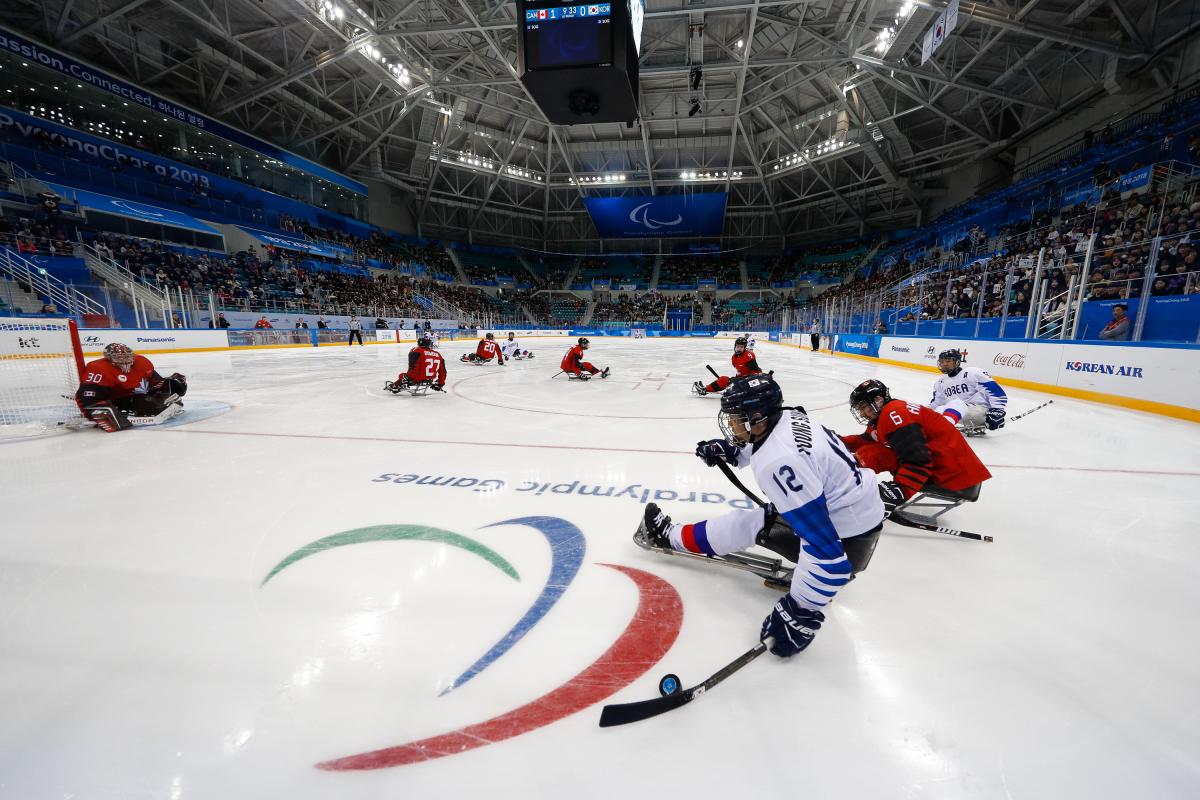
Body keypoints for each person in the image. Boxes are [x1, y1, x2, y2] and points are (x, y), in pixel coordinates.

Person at [639, 374, 886, 658]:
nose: (730, 424)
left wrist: (801, 614)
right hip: (858, 513)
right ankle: (676, 535)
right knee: (755, 520)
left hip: (849, 539)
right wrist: (731, 450)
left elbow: (828, 557)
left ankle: (670, 536)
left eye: (735, 418)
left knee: (749, 524)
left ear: (757, 418)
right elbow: (773, 442)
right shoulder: (789, 417)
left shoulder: (779, 462)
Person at [841, 379, 991, 502]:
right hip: (953, 471)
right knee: (871, 449)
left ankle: (843, 486)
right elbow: (866, 439)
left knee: (873, 453)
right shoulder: (889, 412)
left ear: (879, 401)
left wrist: (900, 491)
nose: (861, 412)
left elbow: (918, 460)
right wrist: (837, 441)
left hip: (955, 479)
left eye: (863, 407)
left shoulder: (894, 414)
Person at [75, 343, 187, 432]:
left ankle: (156, 403)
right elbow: (86, 396)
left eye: (128, 356)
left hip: (136, 396)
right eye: (118, 357)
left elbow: (155, 381)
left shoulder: (142, 362)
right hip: (116, 400)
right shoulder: (98, 368)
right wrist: (94, 414)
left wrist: (170, 385)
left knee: (161, 395)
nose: (125, 360)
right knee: (148, 403)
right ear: (108, 358)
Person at [928, 349, 1008, 433]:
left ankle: (941, 428)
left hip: (979, 411)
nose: (944, 364)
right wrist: (923, 412)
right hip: (957, 414)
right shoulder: (940, 382)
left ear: (957, 362)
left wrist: (997, 411)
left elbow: (995, 391)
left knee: (956, 405)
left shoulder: (972, 373)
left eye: (948, 361)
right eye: (942, 361)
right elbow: (936, 403)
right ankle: (940, 425)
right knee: (939, 409)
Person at [693, 336, 760, 395]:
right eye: (737, 346)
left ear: (745, 347)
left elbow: (757, 372)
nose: (739, 348)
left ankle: (705, 389)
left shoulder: (748, 356)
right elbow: (740, 371)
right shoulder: (734, 357)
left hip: (748, 382)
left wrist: (754, 387)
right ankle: (707, 388)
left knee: (723, 379)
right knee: (724, 380)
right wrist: (737, 378)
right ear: (735, 346)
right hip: (742, 380)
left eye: (741, 347)